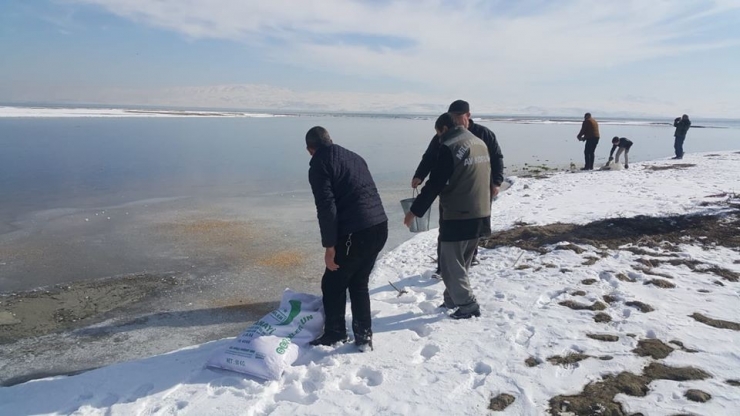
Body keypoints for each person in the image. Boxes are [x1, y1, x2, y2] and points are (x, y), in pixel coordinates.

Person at [305, 126, 388, 351]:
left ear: (310, 150)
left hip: (357, 232)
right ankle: (363, 336)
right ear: (330, 140)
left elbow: (326, 208)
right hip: (379, 226)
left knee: (332, 282)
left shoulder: (319, 165)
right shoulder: (353, 156)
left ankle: (335, 333)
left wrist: (330, 246)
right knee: (358, 282)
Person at [404, 113, 491, 320]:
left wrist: (414, 211)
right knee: (463, 261)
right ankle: (453, 299)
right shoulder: (478, 142)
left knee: (450, 263)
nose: (438, 137)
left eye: (437, 133)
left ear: (443, 129)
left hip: (459, 214)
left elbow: (435, 183)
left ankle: (468, 305)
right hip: (482, 212)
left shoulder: (449, 146)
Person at [411, 100, 504, 272]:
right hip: (452, 192)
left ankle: (470, 257)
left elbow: (497, 158)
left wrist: (496, 182)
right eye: (452, 116)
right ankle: (443, 266)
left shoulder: (483, 134)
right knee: (447, 227)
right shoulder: (443, 137)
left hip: (479, 189)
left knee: (474, 226)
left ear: (468, 115)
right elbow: (430, 157)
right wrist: (419, 175)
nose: (454, 119)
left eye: (458, 116)